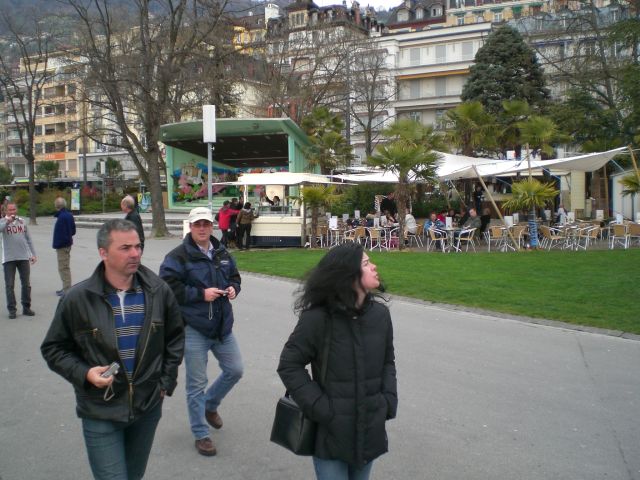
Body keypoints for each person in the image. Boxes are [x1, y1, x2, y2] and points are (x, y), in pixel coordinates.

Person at [40, 219, 184, 480]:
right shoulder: (78, 298)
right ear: (103, 253)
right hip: (100, 410)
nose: (135, 253)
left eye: (138, 246)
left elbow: (174, 339)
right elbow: (54, 348)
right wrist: (85, 373)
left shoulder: (158, 291)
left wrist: (165, 383)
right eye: (125, 248)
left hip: (147, 407)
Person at [277, 243, 397, 480]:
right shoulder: (317, 319)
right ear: (348, 275)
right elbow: (290, 365)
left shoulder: (380, 315)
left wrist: (388, 400)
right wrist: (322, 409)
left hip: (370, 428)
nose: (374, 267)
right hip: (330, 433)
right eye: (366, 263)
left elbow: (388, 361)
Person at [159, 206, 243, 457]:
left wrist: (234, 288)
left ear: (212, 226)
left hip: (222, 326)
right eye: (198, 224)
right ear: (191, 227)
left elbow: (235, 277)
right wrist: (200, 294)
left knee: (235, 369)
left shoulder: (221, 252)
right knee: (196, 383)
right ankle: (201, 434)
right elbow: (167, 288)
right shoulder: (178, 256)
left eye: (206, 223)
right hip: (194, 327)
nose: (203, 228)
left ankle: (210, 404)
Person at [0, 202, 37, 318]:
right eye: (10, 210)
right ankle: (12, 310)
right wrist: (7, 222)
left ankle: (26, 307)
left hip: (23, 257)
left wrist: (33, 254)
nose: (12, 212)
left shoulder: (22, 221)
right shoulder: (2, 221)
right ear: (6, 211)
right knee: (9, 285)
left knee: (26, 284)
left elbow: (28, 239)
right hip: (8, 258)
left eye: (14, 209)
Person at [52, 197, 76, 296]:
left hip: (63, 245)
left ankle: (67, 289)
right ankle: (66, 287)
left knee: (63, 268)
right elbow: (73, 231)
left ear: (56, 206)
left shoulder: (61, 217)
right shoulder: (69, 215)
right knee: (65, 266)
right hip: (67, 244)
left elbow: (61, 234)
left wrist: (58, 244)